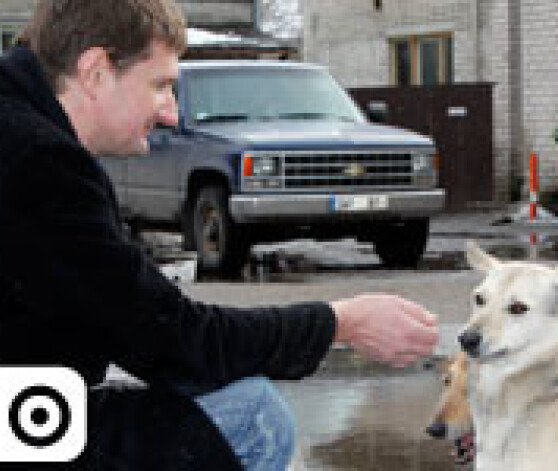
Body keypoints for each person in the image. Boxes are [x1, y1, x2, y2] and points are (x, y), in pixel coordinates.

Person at [0, 0, 439, 469]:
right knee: (250, 416)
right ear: (95, 70)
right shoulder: (40, 165)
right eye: (161, 85)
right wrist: (339, 322)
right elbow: (173, 341)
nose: (170, 112)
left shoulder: (21, 131)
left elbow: (135, 323)